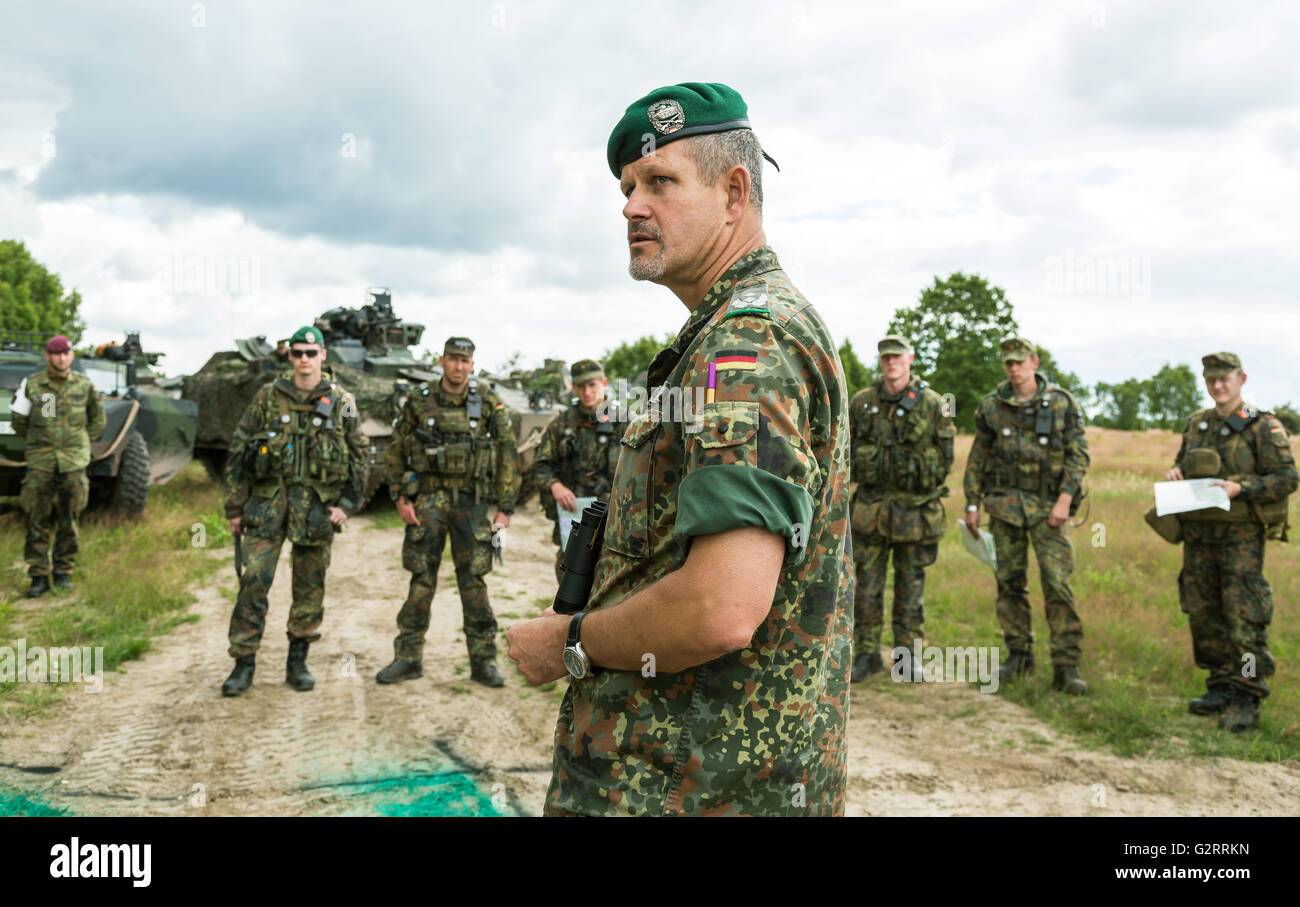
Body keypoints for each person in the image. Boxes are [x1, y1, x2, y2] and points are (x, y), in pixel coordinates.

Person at [506, 82, 853, 816]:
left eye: (660, 181)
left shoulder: (746, 343)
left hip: (691, 788)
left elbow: (720, 607)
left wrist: (566, 642)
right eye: (629, 187)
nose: (632, 205)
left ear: (735, 193)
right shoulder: (728, 331)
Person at [220, 326, 367, 697]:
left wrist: (348, 504)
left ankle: (297, 661)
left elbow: (360, 451)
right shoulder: (268, 396)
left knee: (309, 588)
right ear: (289, 356)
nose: (304, 359)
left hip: (316, 509)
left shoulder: (343, 399)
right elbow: (239, 448)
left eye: (311, 353)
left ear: (323, 355)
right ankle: (243, 662)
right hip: (266, 506)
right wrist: (235, 506)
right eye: (298, 352)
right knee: (253, 582)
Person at [1164, 352, 1297, 732]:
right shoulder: (1197, 424)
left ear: (1241, 379)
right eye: (1211, 380)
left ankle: (1247, 694)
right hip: (1199, 533)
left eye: (1225, 378)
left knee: (1244, 616)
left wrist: (1243, 487)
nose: (1218, 386)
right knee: (1203, 611)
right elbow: (1182, 465)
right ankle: (1220, 684)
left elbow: (1288, 477)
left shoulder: (1262, 426)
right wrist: (1175, 473)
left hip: (1240, 538)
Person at [376, 337, 519, 688]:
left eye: (464, 361)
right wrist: (399, 495)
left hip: (470, 503)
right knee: (421, 580)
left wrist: (505, 508)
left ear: (472, 365)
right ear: (441, 361)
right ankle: (408, 658)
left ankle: (483, 661)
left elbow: (507, 452)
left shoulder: (487, 400)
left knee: (474, 582)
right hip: (428, 500)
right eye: (453, 359)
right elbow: (395, 448)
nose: (458, 366)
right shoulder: (419, 400)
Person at [963, 336, 1089, 694]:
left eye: (1020, 362)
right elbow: (978, 458)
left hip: (1048, 510)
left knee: (1057, 584)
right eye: (1008, 363)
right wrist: (972, 503)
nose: (1014, 368)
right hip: (1004, 509)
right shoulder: (991, 407)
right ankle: (1019, 655)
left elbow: (1079, 455)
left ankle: (1067, 665)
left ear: (1034, 362)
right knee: (1009, 584)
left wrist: (1065, 499)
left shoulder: (1061, 403)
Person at [849, 335, 954, 682]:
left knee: (911, 589)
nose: (891, 363)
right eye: (885, 358)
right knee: (866, 588)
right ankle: (865, 654)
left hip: (915, 513)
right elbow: (844, 453)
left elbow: (945, 457)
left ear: (910, 359)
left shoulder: (934, 404)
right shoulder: (862, 403)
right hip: (871, 511)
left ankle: (907, 660)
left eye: (897, 357)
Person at [10, 335, 106, 598]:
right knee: (36, 520)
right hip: (41, 463)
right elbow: (19, 420)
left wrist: (81, 442)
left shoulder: (84, 387)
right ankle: (38, 576)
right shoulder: (32, 386)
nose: (61, 358)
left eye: (65, 353)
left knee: (69, 520)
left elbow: (98, 419)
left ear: (71, 356)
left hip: (73, 463)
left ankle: (63, 573)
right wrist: (38, 443)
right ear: (47, 356)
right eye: (55, 353)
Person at [531, 358, 623, 584]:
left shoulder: (625, 421)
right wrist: (555, 486)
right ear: (573, 387)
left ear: (604, 382)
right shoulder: (561, 424)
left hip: (615, 521)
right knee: (569, 585)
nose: (587, 392)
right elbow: (540, 463)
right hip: (574, 518)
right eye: (581, 386)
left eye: (592, 385)